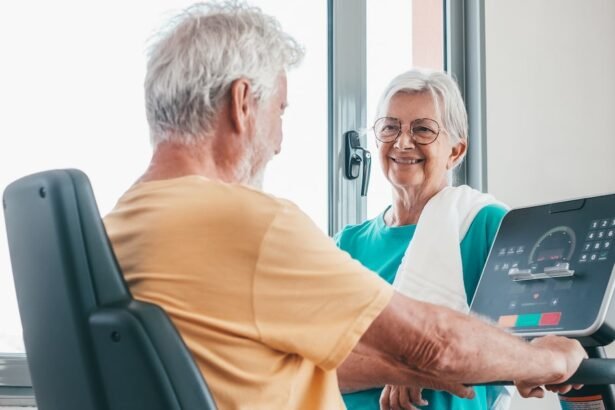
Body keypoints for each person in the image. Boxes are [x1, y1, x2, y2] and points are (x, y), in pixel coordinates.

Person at [103, 2, 585, 409]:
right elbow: (435, 343)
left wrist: (415, 370)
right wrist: (554, 360)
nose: (278, 142)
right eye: (281, 112)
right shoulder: (252, 224)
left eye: (422, 129)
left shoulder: (113, 233)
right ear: (243, 103)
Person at [335, 69, 510, 410]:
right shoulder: (347, 244)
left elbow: (526, 342)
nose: (402, 142)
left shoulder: (484, 224)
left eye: (423, 129)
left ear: (455, 151)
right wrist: (402, 368)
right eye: (390, 127)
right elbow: (316, 364)